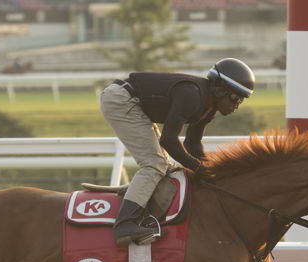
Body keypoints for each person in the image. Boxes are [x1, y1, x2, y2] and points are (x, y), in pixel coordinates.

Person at [100, 58, 255, 246]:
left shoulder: (209, 107)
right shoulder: (192, 95)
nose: (237, 104)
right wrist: (198, 168)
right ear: (219, 88)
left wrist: (213, 169)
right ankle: (124, 224)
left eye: (242, 100)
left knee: (166, 167)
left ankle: (137, 205)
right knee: (155, 164)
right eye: (235, 98)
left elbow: (193, 144)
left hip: (133, 101)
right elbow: (168, 141)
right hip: (122, 98)